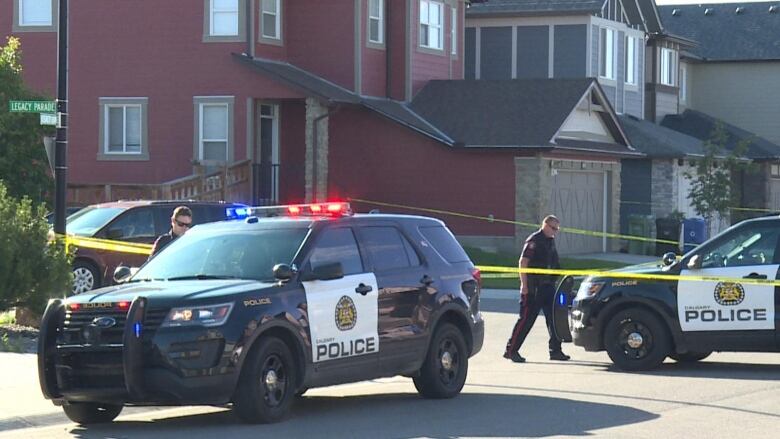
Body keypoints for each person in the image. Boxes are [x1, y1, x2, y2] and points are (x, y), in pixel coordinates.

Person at [503, 215, 570, 363]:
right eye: (553, 228)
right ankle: (511, 350)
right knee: (526, 320)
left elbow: (554, 263)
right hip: (534, 288)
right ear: (545, 225)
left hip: (548, 287)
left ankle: (555, 351)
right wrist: (524, 285)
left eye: (557, 229)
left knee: (554, 319)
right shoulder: (534, 240)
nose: (555, 232)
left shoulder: (550, 242)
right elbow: (523, 262)